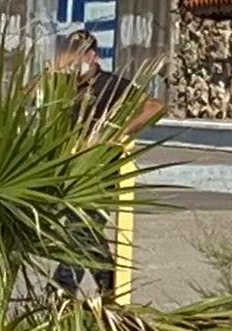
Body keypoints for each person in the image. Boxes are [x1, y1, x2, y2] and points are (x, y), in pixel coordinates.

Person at [49, 29, 166, 296]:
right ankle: (110, 283)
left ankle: (60, 290)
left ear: (92, 56)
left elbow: (155, 106)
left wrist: (117, 132)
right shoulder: (62, 86)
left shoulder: (110, 84)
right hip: (68, 173)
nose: (75, 60)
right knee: (87, 233)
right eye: (70, 53)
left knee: (81, 231)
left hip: (100, 172)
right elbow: (27, 95)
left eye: (80, 54)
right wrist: (52, 71)